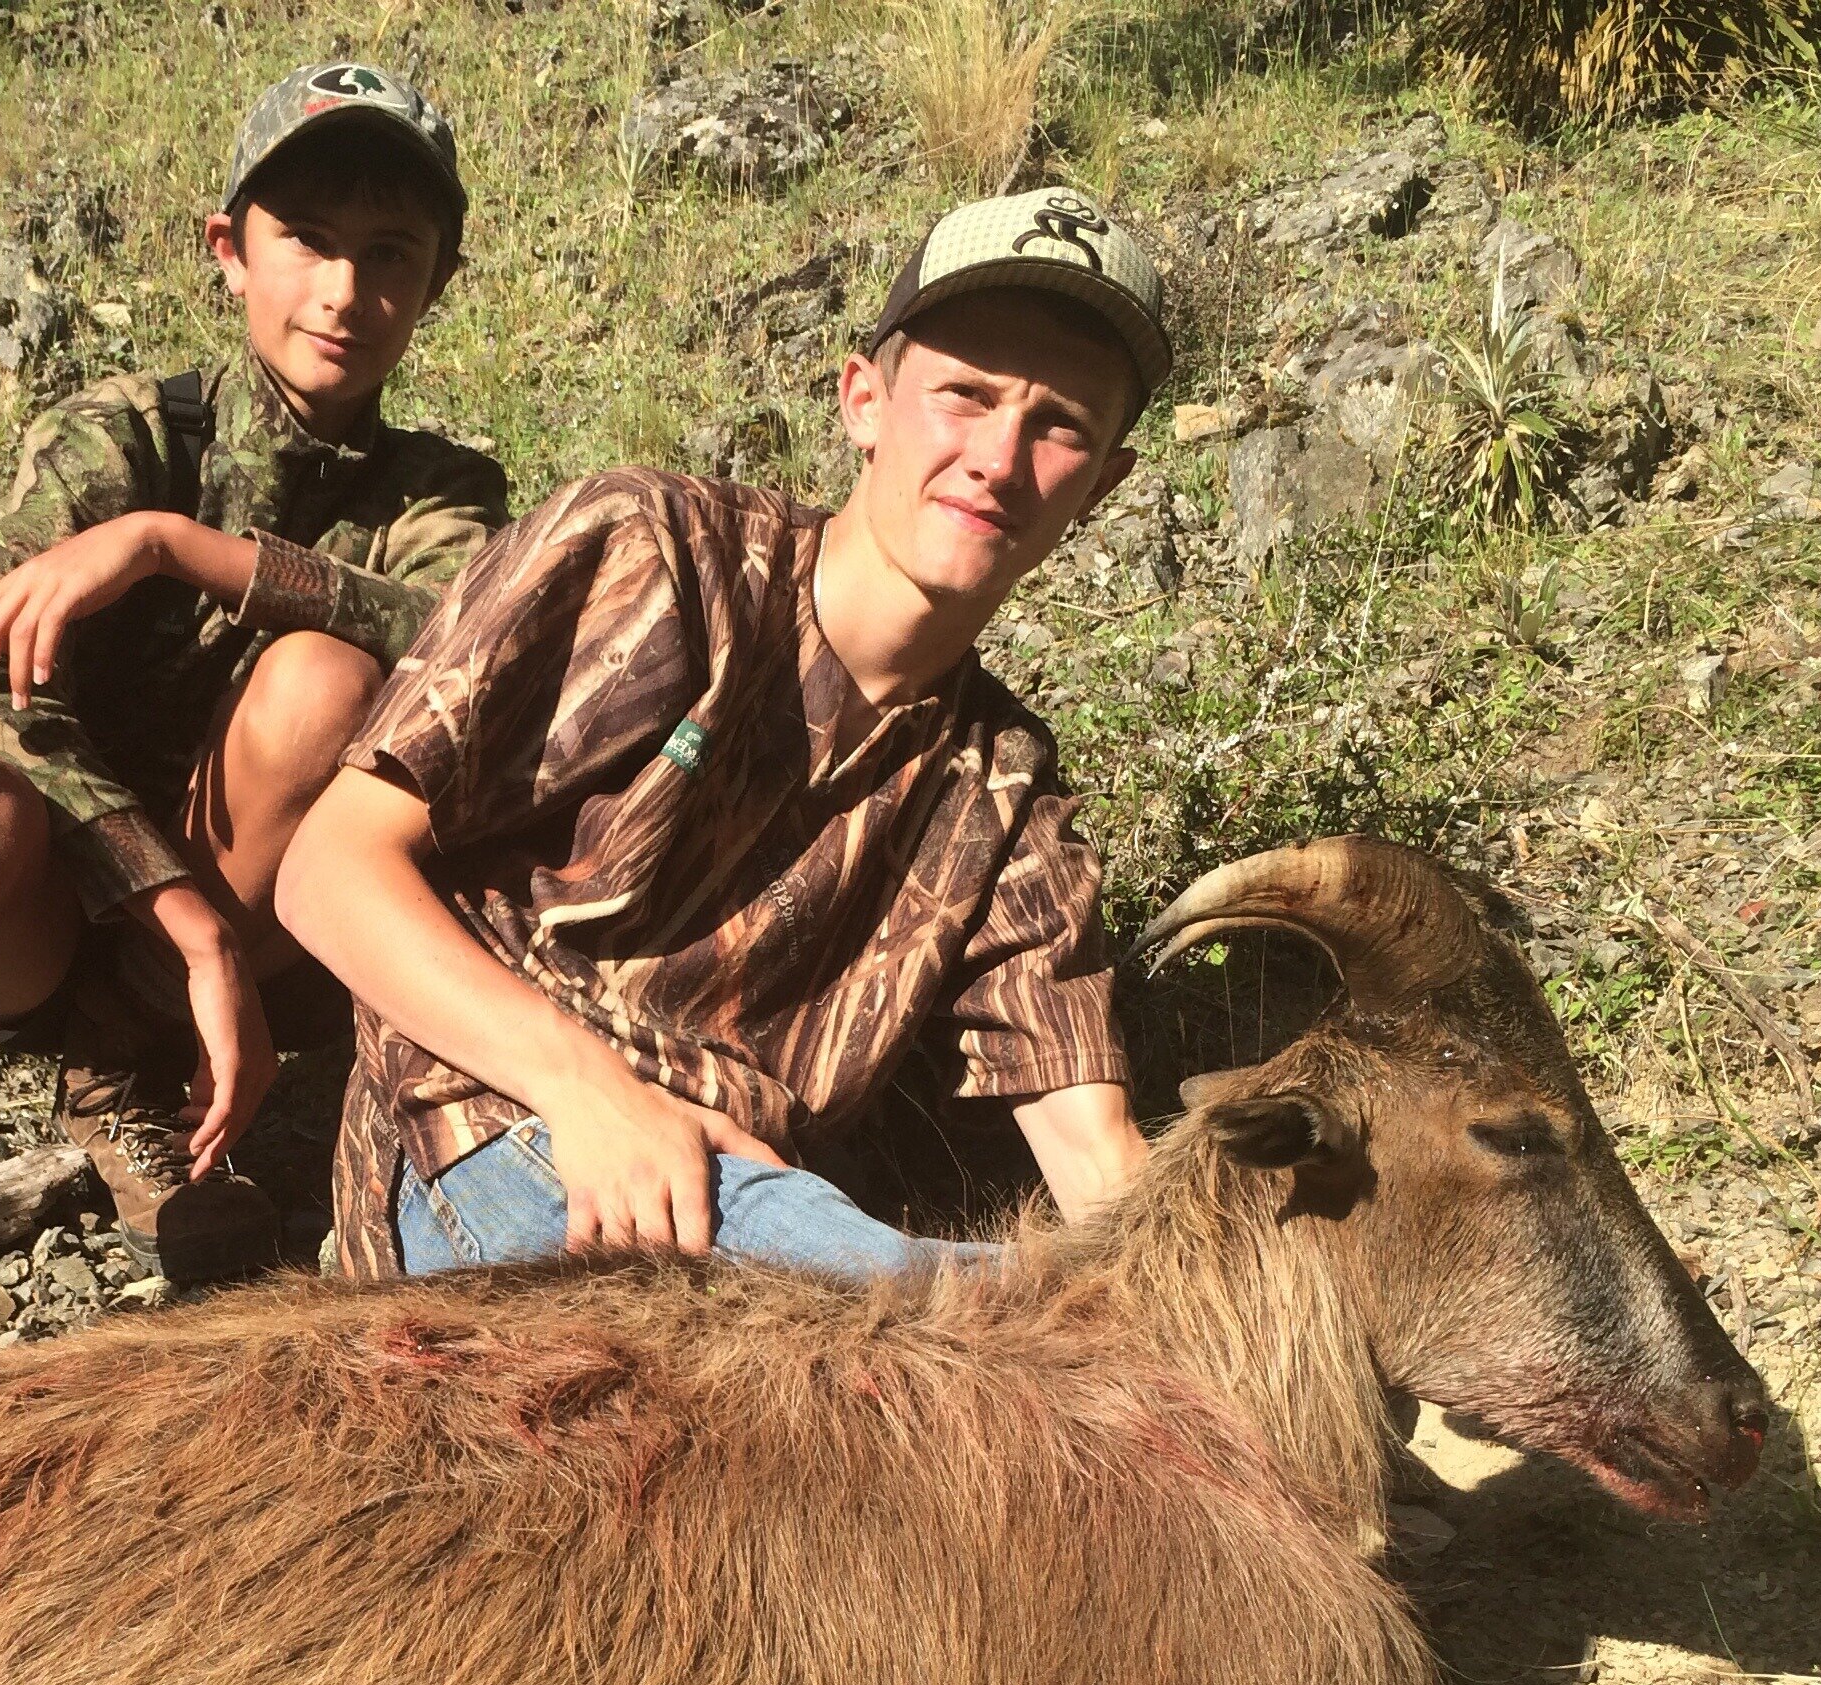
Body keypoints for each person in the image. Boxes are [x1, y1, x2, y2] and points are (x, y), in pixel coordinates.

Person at [0, 62, 507, 1501]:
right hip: (75, 929)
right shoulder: (124, 431)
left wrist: (171, 552)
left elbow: (462, 638)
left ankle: (157, 1092)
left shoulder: (444, 495)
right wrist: (174, 911)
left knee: (324, 681)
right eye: (307, 239)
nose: (344, 287)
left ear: (439, 282)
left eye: (393, 256)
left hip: (279, 940)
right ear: (228, 248)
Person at [277, 188, 1164, 1282]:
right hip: (504, 1134)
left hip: (756, 1205)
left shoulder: (1006, 797)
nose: (998, 457)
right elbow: (329, 868)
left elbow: (1099, 1157)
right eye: (964, 397)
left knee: (1083, 1318)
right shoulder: (658, 555)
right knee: (958, 1327)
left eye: (1061, 425)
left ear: (1107, 485)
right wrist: (591, 1090)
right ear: (864, 401)